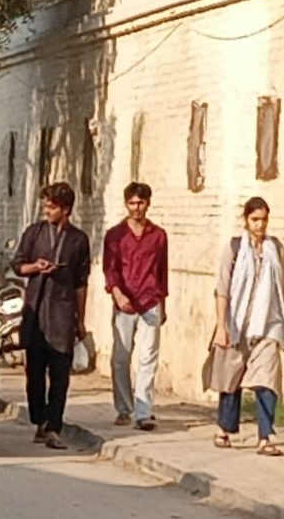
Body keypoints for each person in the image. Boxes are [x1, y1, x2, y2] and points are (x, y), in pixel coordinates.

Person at [208, 196, 284, 455]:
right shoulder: (234, 248)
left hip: (267, 324)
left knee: (267, 382)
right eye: (255, 219)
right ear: (246, 220)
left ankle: (265, 437)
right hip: (236, 323)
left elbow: (281, 289)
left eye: (264, 220)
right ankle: (224, 428)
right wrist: (222, 326)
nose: (259, 225)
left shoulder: (275, 249)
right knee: (230, 379)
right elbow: (223, 289)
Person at [13, 182, 90, 450]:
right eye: (45, 206)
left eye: (52, 207)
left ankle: (53, 427)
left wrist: (80, 320)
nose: (47, 211)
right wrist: (35, 267)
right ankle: (40, 420)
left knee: (60, 376)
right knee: (34, 375)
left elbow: (81, 282)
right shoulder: (34, 233)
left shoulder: (78, 240)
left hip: (63, 313)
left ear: (66, 209)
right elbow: (17, 265)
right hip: (36, 312)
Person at [102, 182, 169, 432]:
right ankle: (124, 408)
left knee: (148, 357)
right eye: (132, 203)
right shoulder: (115, 235)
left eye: (140, 203)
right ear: (126, 204)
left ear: (148, 203)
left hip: (150, 300)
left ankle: (144, 411)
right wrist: (117, 293)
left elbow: (162, 271)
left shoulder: (158, 235)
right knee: (121, 357)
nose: (136, 208)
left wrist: (163, 303)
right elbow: (110, 269)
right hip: (125, 302)